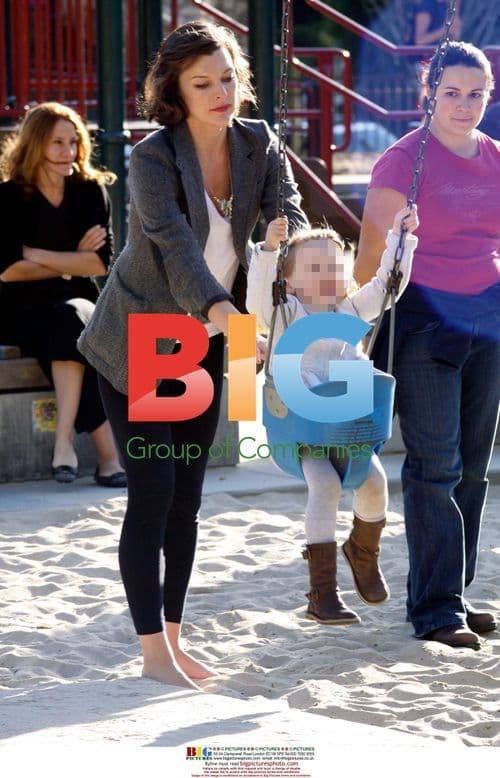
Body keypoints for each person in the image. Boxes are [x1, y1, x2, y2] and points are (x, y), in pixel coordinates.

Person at [77, 21, 309, 688]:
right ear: (174, 90)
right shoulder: (153, 158)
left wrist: (284, 242)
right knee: (152, 491)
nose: (221, 93)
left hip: (211, 342)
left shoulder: (260, 142)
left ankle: (173, 643)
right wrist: (227, 318)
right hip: (147, 338)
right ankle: (152, 654)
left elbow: (285, 211)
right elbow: (175, 248)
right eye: (203, 83)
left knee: (187, 499)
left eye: (229, 78)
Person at [354, 41, 500, 650]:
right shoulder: (401, 161)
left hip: (487, 321)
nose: (463, 106)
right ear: (429, 93)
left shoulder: (496, 159)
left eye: (476, 94)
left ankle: (453, 595)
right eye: (452, 93)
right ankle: (436, 609)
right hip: (421, 325)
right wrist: (353, 332)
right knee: (435, 465)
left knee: (472, 466)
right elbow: (370, 258)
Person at [246, 206, 418, 625]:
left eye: (335, 266)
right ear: (288, 281)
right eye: (316, 266)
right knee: (323, 485)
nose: (329, 273)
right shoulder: (284, 311)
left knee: (376, 484)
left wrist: (401, 240)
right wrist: (268, 251)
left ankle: (362, 549)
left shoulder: (351, 312)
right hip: (299, 428)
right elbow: (254, 300)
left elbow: (388, 285)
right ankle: (322, 592)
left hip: (347, 426)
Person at [0, 102, 126, 487]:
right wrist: (73, 259)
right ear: (35, 144)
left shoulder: (90, 192)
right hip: (19, 309)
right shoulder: (7, 198)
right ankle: (108, 458)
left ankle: (64, 443)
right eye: (57, 143)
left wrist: (36, 254)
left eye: (74, 142)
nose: (68, 152)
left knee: (70, 320)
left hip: (80, 303)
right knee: (68, 335)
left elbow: (101, 264)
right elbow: (8, 271)